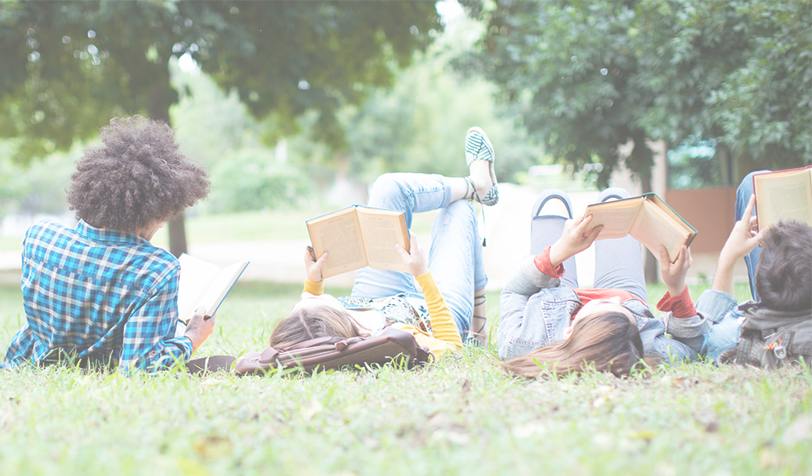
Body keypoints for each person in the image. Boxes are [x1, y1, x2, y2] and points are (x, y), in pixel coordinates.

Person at [2, 116, 216, 373]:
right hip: (100, 371)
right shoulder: (158, 270)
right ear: (154, 212)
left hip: (27, 364)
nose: (162, 226)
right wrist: (192, 337)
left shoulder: (39, 237)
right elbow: (141, 367)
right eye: (163, 217)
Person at [268, 127, 497, 356]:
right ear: (334, 314)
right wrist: (422, 275)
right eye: (312, 299)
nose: (307, 295)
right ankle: (477, 327)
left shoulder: (328, 323)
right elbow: (452, 349)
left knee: (388, 187)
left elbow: (310, 325)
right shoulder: (394, 336)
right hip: (432, 316)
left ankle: (477, 186)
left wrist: (313, 282)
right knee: (459, 210)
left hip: (371, 299)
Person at [498, 188, 712, 377]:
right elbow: (694, 348)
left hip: (554, 290)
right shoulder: (648, 349)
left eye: (606, 304)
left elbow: (513, 293)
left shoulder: (521, 345)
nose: (617, 300)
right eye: (625, 313)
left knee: (551, 200)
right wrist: (676, 286)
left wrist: (559, 252)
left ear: (569, 332)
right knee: (617, 197)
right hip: (627, 289)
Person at [695, 171, 812, 360]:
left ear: (760, 280)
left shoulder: (732, 337)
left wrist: (728, 258)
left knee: (754, 180)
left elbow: (704, 336)